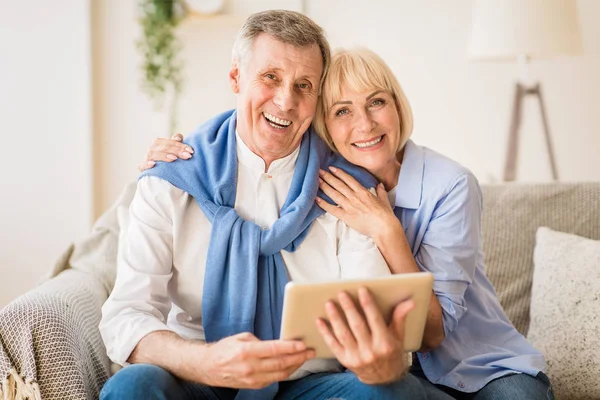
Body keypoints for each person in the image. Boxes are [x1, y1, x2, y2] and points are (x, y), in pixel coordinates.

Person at [143, 47, 556, 399]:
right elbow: (252, 133)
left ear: (397, 105)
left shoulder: (450, 184)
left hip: (478, 365)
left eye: (377, 102)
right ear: (322, 126)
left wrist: (387, 229)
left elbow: (432, 335)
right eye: (342, 111)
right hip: (396, 374)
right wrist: (178, 157)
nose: (365, 124)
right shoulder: (323, 184)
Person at [100, 10, 429, 400]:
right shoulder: (171, 179)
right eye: (270, 77)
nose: (286, 101)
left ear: (317, 97)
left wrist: (384, 364)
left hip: (310, 384)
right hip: (199, 375)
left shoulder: (347, 188)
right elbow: (126, 315)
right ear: (236, 77)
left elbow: (376, 319)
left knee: (396, 393)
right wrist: (207, 362)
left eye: (304, 85)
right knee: (131, 387)